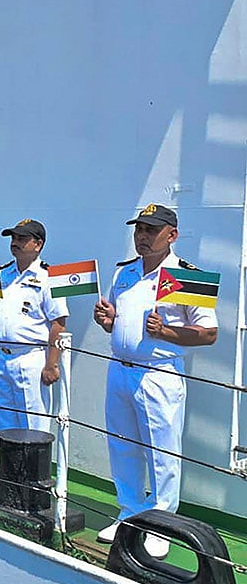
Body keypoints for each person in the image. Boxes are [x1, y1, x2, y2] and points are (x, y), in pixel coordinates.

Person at [93, 204, 217, 558]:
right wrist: (107, 319)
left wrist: (168, 332)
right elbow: (115, 320)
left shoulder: (186, 276)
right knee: (122, 445)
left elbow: (208, 334)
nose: (143, 236)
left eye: (151, 230)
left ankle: (162, 521)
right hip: (120, 369)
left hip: (158, 375)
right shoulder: (125, 273)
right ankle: (130, 512)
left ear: (172, 235)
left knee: (161, 452)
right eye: (139, 230)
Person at [0, 219, 68, 433]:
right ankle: (10, 467)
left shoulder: (49, 277)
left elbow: (58, 323)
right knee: (5, 421)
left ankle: (32, 468)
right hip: (1, 358)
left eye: (22, 238)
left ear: (38, 244)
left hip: (30, 358)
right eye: (13, 238)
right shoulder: (1, 273)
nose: (15, 242)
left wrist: (52, 364)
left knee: (34, 424)